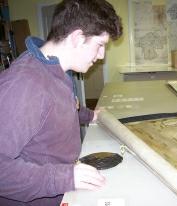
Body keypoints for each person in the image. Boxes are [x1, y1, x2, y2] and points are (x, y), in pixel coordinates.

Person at [0, 0, 122, 205]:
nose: (101, 56)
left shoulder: (56, 70)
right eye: (100, 45)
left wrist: (90, 115)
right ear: (77, 37)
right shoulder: (24, 84)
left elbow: (61, 107)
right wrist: (65, 178)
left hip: (64, 188)